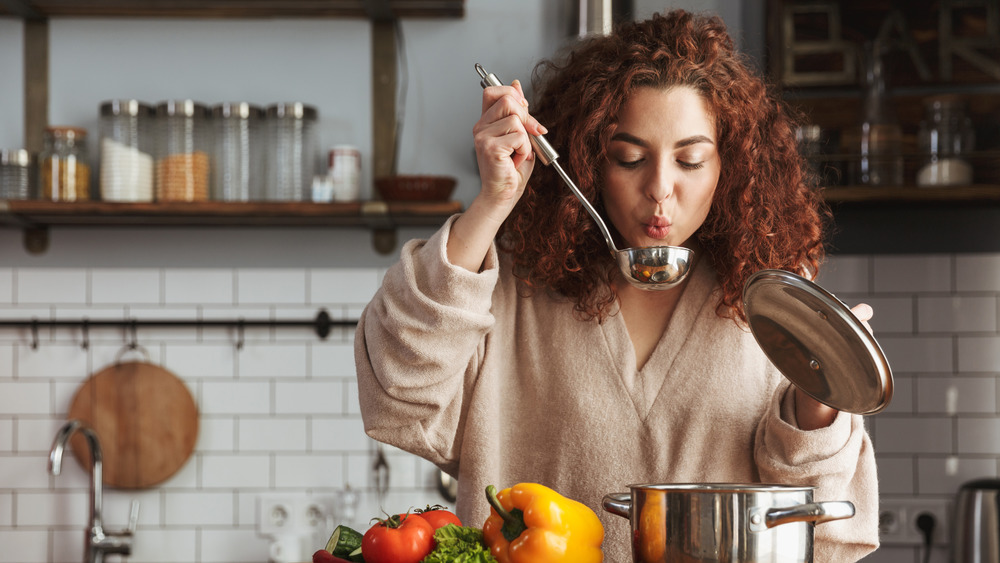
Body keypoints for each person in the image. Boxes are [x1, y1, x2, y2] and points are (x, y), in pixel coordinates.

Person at [355, 9, 879, 562]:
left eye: (691, 160)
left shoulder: (773, 304)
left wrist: (820, 399)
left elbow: (820, 523)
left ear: (732, 166)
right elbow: (398, 391)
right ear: (587, 159)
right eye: (628, 158)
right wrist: (492, 205)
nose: (659, 189)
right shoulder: (511, 286)